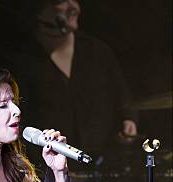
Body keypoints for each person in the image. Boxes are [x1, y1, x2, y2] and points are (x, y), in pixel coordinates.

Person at [13, 0, 138, 157]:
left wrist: (129, 120)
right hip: (48, 164)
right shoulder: (21, 59)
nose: (73, 7)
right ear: (39, 10)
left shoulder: (97, 50)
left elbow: (122, 97)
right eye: (61, 2)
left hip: (102, 159)